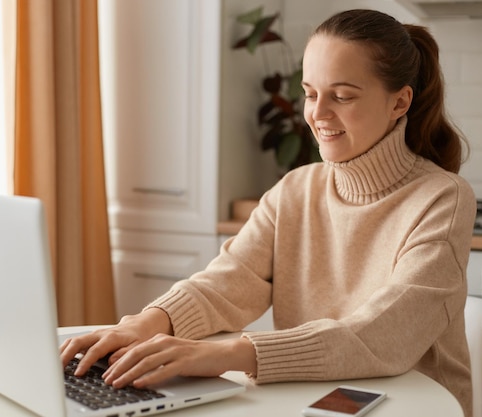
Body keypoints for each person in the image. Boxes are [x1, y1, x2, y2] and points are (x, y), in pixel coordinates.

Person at [60, 8, 476, 417]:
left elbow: (385, 333)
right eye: (311, 93)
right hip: (314, 396)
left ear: (400, 102)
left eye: (343, 96)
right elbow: (228, 283)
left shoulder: (442, 198)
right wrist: (148, 321)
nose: (318, 113)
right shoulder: (296, 189)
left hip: (416, 406)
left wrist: (226, 354)